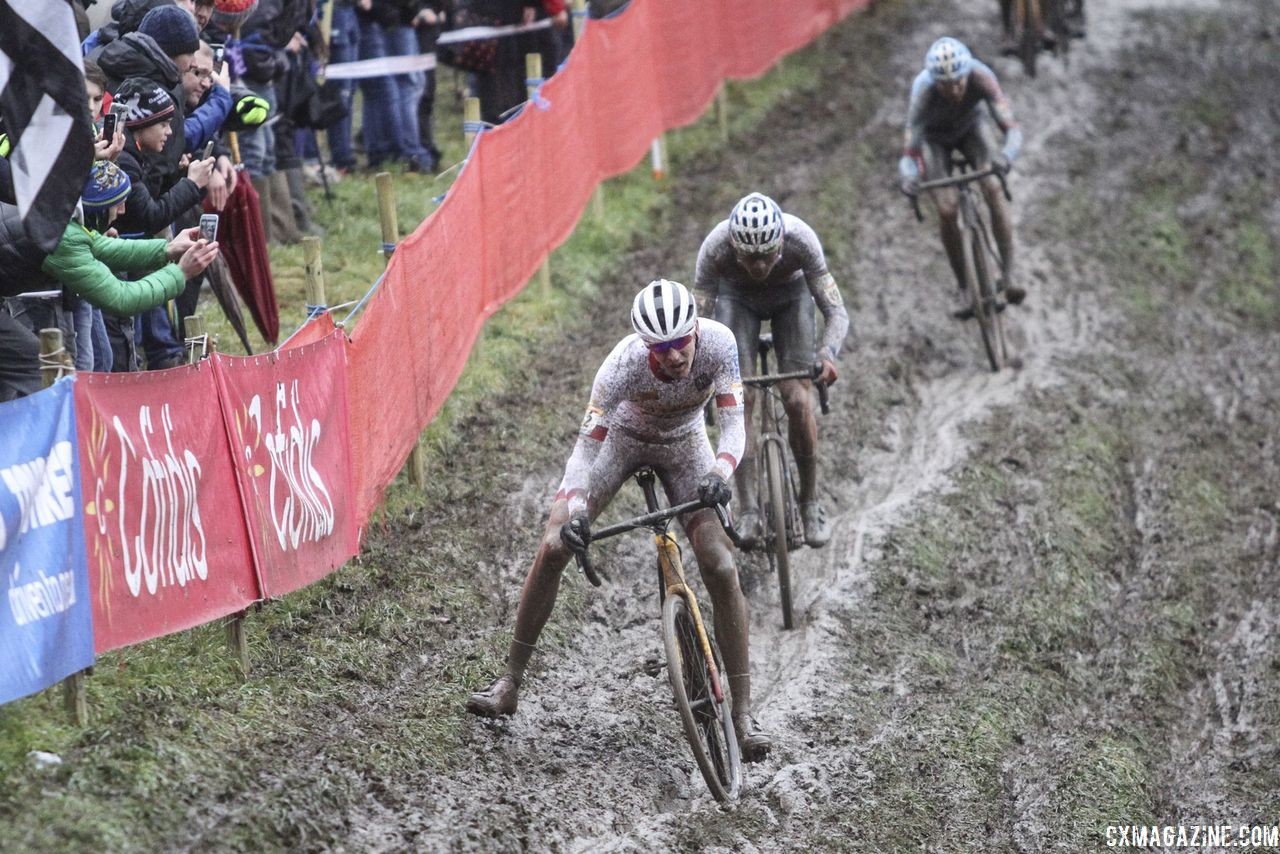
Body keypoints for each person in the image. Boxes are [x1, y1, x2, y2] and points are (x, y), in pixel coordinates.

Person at [467, 279, 771, 762]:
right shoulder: (621, 366)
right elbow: (584, 453)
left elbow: (734, 425)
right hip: (622, 441)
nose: (674, 357)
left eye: (681, 343)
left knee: (721, 566)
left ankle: (743, 713)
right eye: (662, 348)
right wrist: (579, 511)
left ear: (696, 329)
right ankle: (510, 681)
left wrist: (719, 471)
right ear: (645, 345)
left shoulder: (719, 343)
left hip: (688, 446)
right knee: (553, 547)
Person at [694, 192, 848, 550]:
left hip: (791, 297)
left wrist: (826, 353)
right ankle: (748, 509)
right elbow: (698, 322)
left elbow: (835, 311)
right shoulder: (715, 249)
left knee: (796, 398)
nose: (760, 266)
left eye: (767, 256)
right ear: (734, 247)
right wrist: (702, 372)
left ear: (781, 242)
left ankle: (810, 503)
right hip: (736, 301)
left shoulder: (802, 241)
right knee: (739, 399)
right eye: (749, 257)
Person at [898, 37, 1024, 319]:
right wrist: (908, 177)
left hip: (972, 129)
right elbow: (910, 150)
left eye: (958, 82)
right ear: (934, 82)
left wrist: (1006, 157)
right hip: (935, 141)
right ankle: (965, 287)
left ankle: (1009, 273)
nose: (953, 90)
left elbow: (1012, 129)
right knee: (947, 208)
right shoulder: (923, 92)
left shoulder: (982, 77)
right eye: (945, 85)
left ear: (967, 73)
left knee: (992, 187)